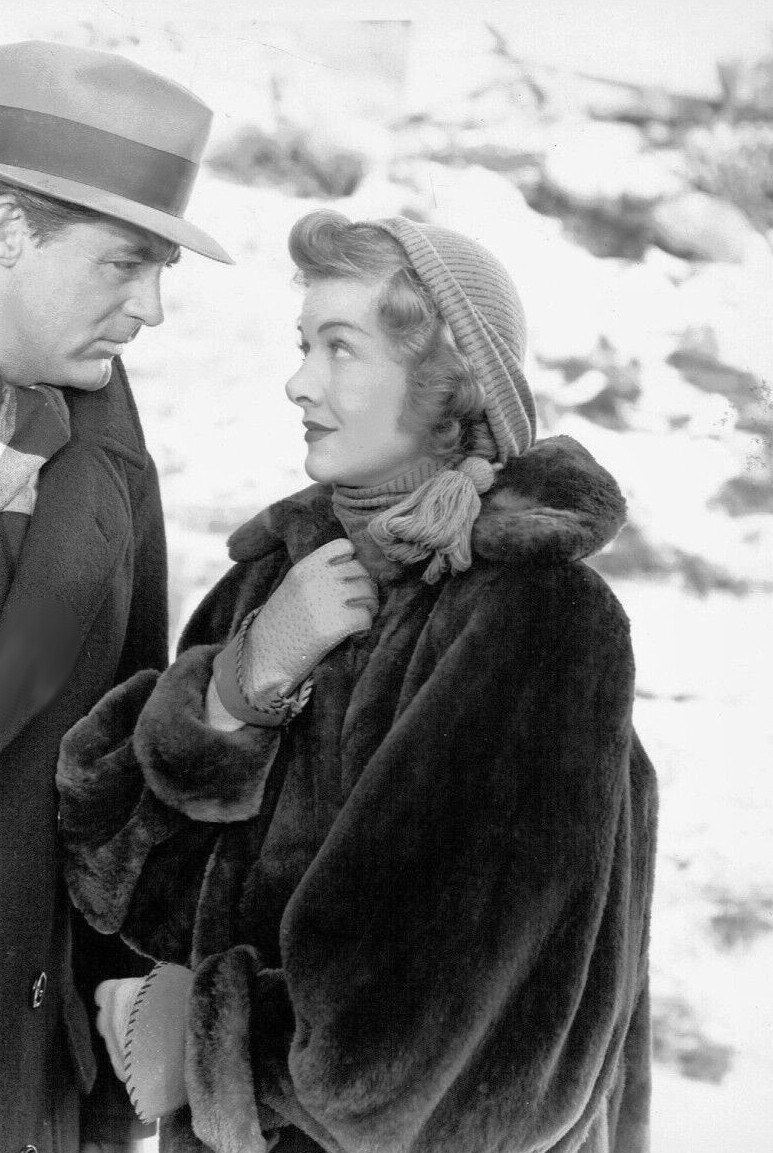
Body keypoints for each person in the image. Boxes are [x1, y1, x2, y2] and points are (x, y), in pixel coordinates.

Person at [57, 211, 658, 1153]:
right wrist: (236, 693)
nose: (299, 382)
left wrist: (209, 1050)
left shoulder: (534, 615)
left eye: (340, 348)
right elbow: (115, 886)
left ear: (449, 381)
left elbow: (478, 1067)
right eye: (304, 345)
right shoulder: (275, 579)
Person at [0, 38, 232, 1153]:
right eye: (121, 263)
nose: (150, 309)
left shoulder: (99, 413)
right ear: (4, 228)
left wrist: (99, 1111)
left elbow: (112, 767)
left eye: (161, 270)